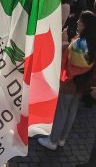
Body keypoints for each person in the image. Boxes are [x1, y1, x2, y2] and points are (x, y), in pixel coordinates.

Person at [38, 10, 96, 150]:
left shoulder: (80, 43)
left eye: (80, 21)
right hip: (83, 83)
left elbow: (68, 56)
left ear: (85, 25)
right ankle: (62, 139)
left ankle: (52, 141)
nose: (77, 23)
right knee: (72, 111)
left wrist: (64, 40)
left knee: (62, 111)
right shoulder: (92, 41)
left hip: (70, 81)